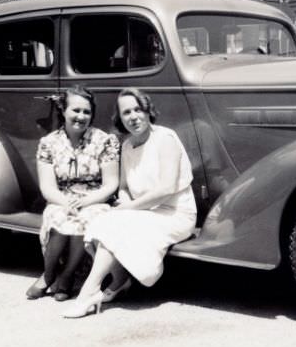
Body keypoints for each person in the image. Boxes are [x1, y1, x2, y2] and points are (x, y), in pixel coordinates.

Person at [61, 88, 197, 318]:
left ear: (148, 111)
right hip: (144, 212)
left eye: (138, 109)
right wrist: (124, 204)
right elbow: (123, 187)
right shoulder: (127, 145)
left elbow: (166, 189)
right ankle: (119, 281)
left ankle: (89, 292)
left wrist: (128, 209)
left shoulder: (165, 138)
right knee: (102, 222)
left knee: (116, 224)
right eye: (126, 113)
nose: (133, 117)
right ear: (120, 118)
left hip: (175, 214)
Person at [26, 86, 120, 301]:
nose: (81, 116)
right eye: (75, 110)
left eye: (86, 112)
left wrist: (86, 201)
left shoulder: (105, 141)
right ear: (63, 111)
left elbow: (110, 184)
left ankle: (67, 276)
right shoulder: (49, 143)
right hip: (61, 198)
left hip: (96, 199)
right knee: (58, 217)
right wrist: (66, 202)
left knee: (84, 219)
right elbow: (47, 188)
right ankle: (49, 274)